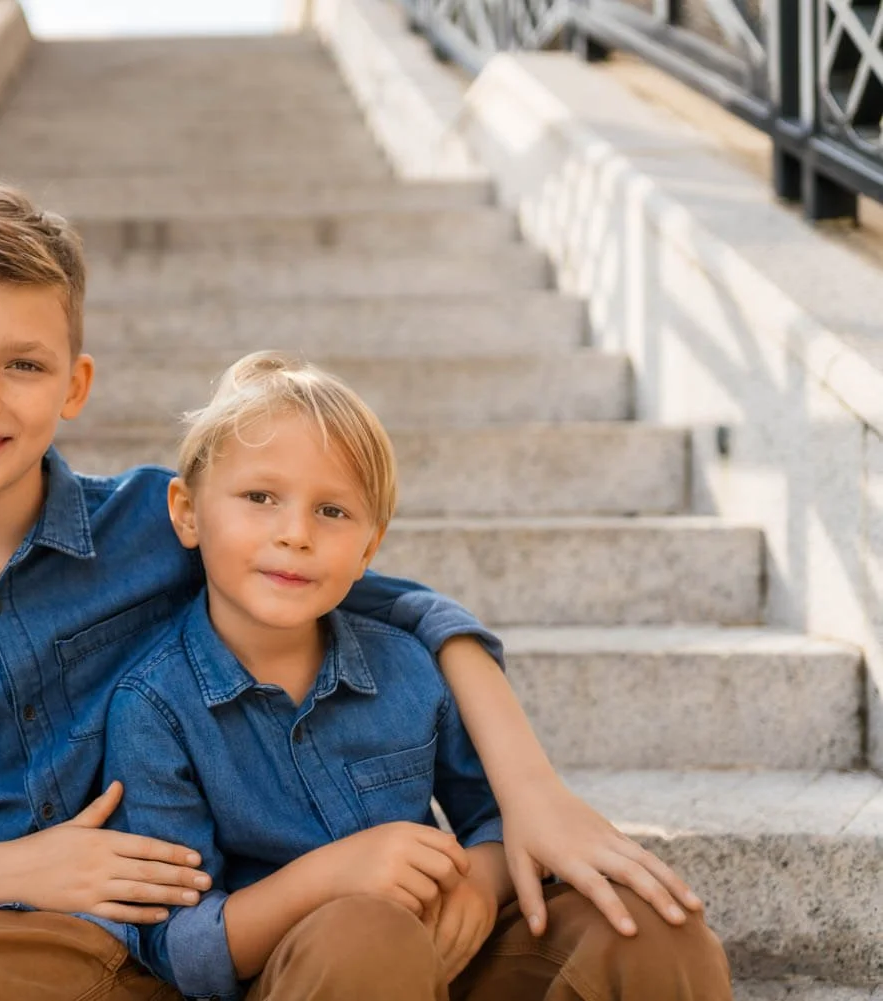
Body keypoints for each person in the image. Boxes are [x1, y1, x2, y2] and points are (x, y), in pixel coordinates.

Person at [0, 186, 704, 1001]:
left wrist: (527, 793)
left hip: (218, 929)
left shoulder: (161, 522)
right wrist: (23, 866)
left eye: (23, 363)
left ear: (74, 385)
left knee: (637, 924)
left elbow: (393, 607)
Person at [95, 351, 732, 1000]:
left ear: (370, 546)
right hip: (310, 976)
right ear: (187, 511)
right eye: (260, 497)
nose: (295, 533)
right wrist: (334, 877)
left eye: (332, 512)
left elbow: (503, 817)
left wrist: (481, 882)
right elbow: (182, 945)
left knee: (651, 926)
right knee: (365, 935)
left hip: (450, 952)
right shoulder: (153, 707)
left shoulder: (408, 666)